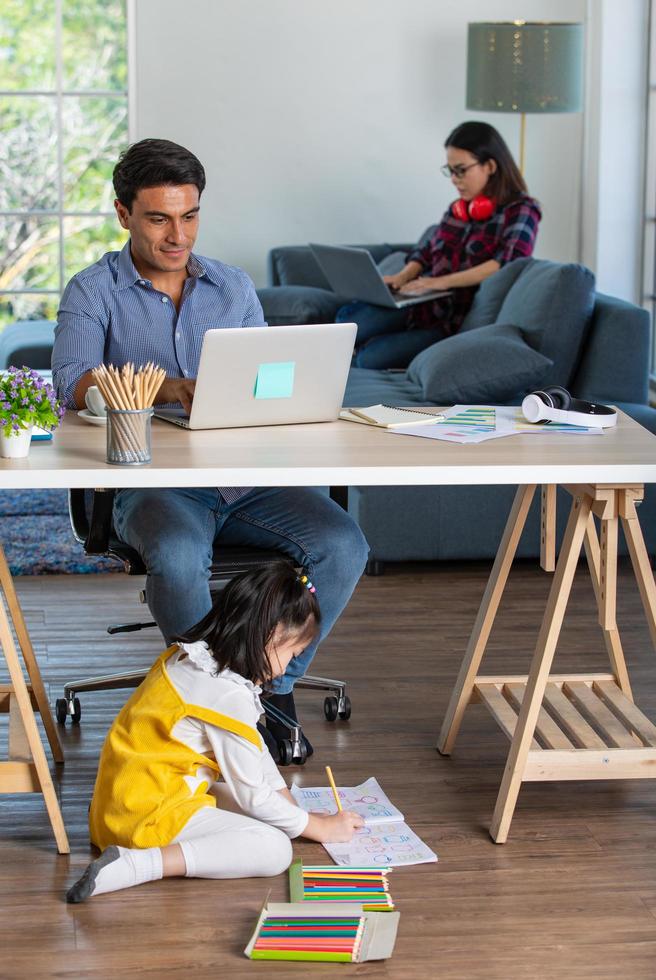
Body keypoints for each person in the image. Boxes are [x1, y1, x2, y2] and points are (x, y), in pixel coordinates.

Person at [52, 139, 369, 758]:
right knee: (175, 553)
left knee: (341, 543)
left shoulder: (230, 285)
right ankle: (207, 703)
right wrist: (165, 388)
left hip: (249, 478)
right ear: (124, 214)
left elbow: (266, 374)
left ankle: (265, 692)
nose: (179, 235)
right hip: (156, 482)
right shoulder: (93, 291)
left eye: (190, 215)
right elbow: (71, 385)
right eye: (159, 218)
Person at [66, 563, 364, 903]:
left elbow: (252, 747)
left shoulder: (196, 659)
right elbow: (253, 795)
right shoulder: (225, 694)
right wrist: (318, 827)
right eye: (292, 654)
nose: (285, 668)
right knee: (276, 849)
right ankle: (138, 864)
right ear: (270, 635)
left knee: (271, 814)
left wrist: (294, 808)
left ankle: (143, 852)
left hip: (123, 803)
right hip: (144, 819)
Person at [337, 121, 541, 369]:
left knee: (369, 358)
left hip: (449, 322)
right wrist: (403, 276)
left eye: (461, 170)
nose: (454, 179)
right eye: (450, 170)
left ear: (490, 166)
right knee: (348, 321)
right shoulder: (458, 209)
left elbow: (507, 264)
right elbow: (425, 251)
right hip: (419, 303)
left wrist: (437, 283)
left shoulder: (522, 210)